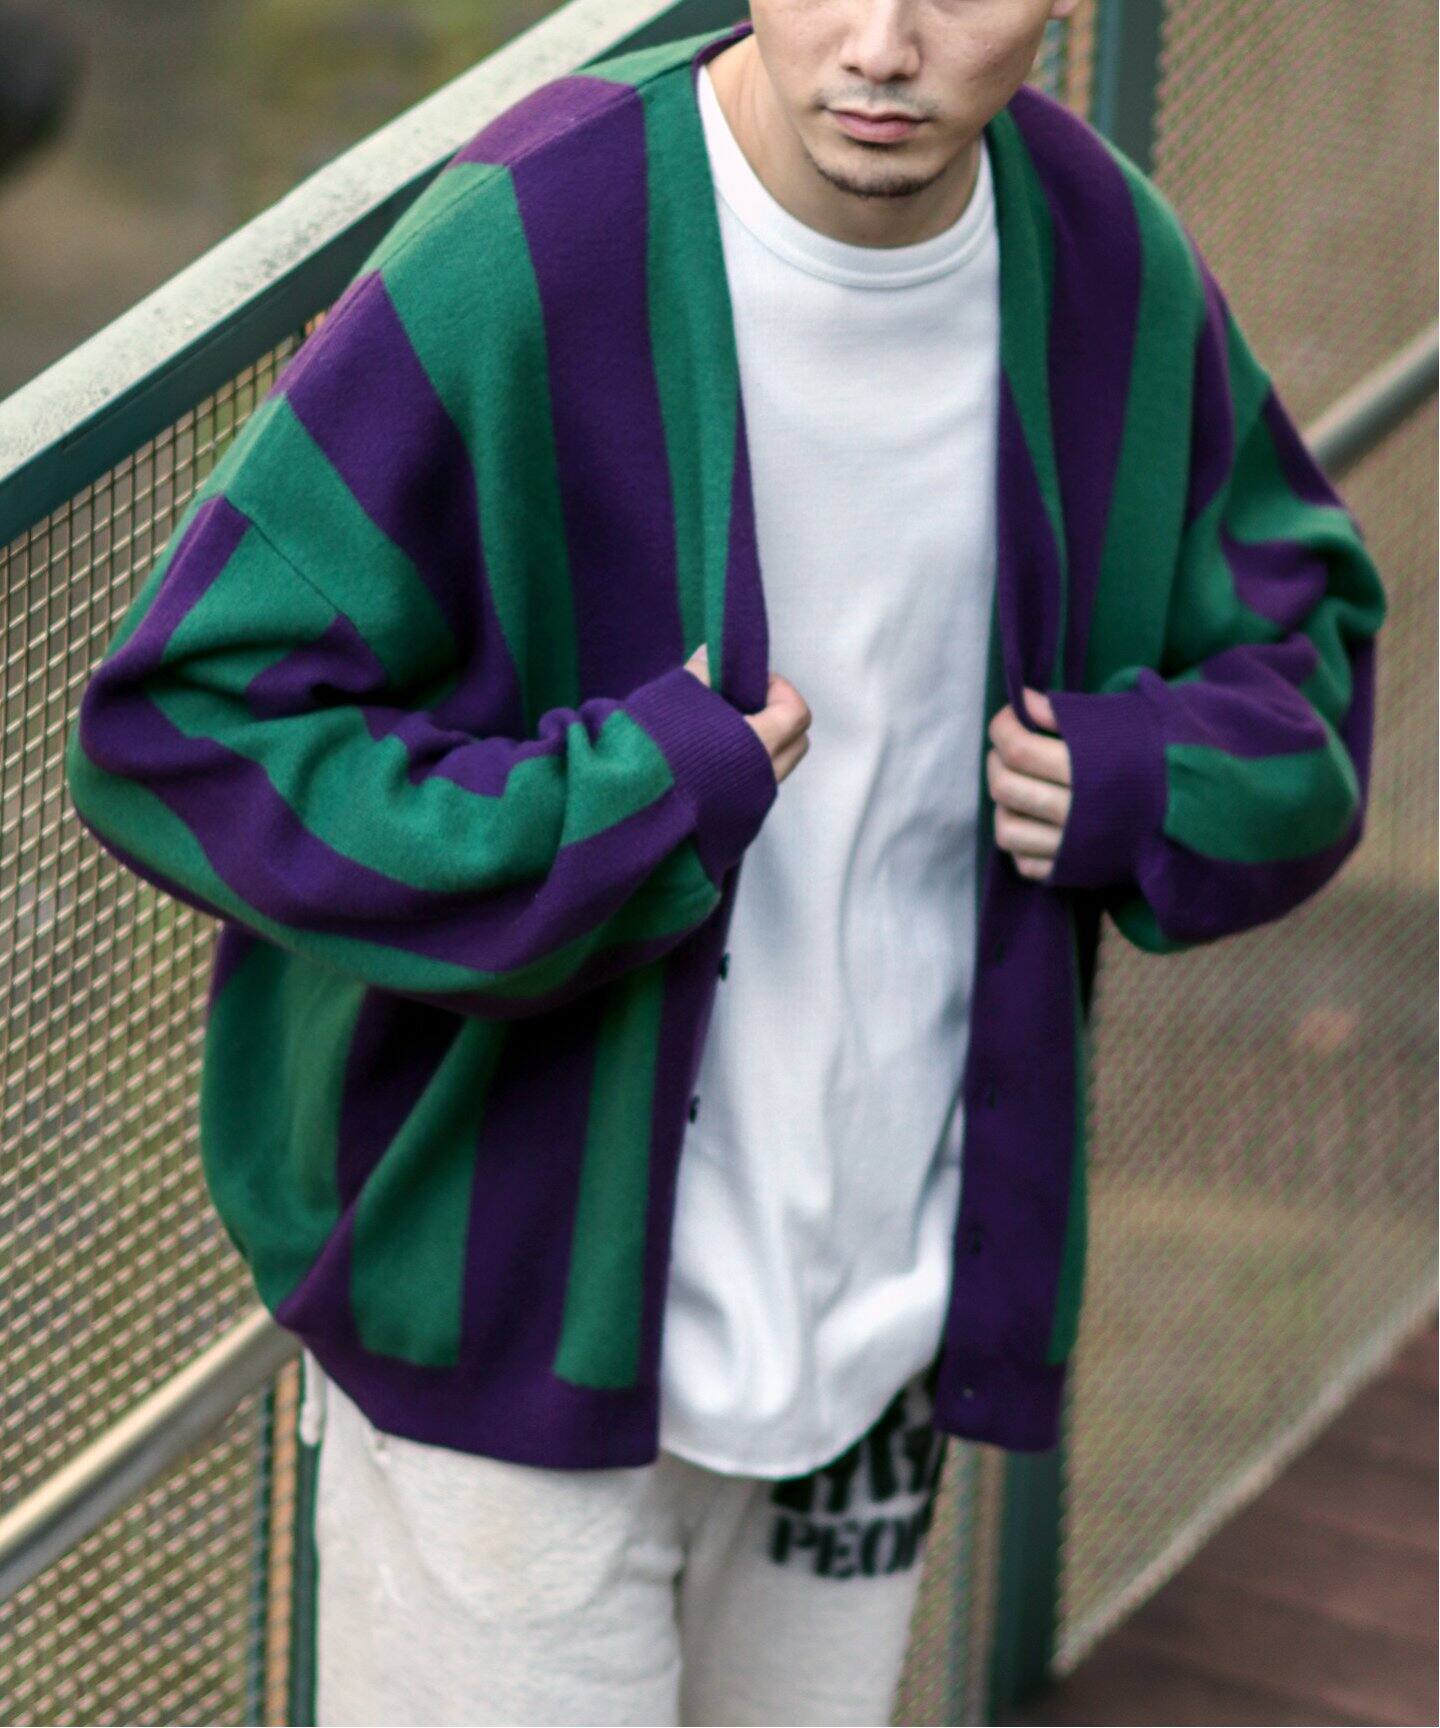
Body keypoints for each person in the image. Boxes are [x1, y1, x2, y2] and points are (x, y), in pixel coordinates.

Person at [65, 3, 1386, 1723]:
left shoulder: (1102, 257)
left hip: (884, 1328)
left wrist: (1148, 778)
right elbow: (184, 723)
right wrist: (607, 817)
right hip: (509, 1331)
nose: (886, 43)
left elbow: (1308, 665)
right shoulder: (531, 239)